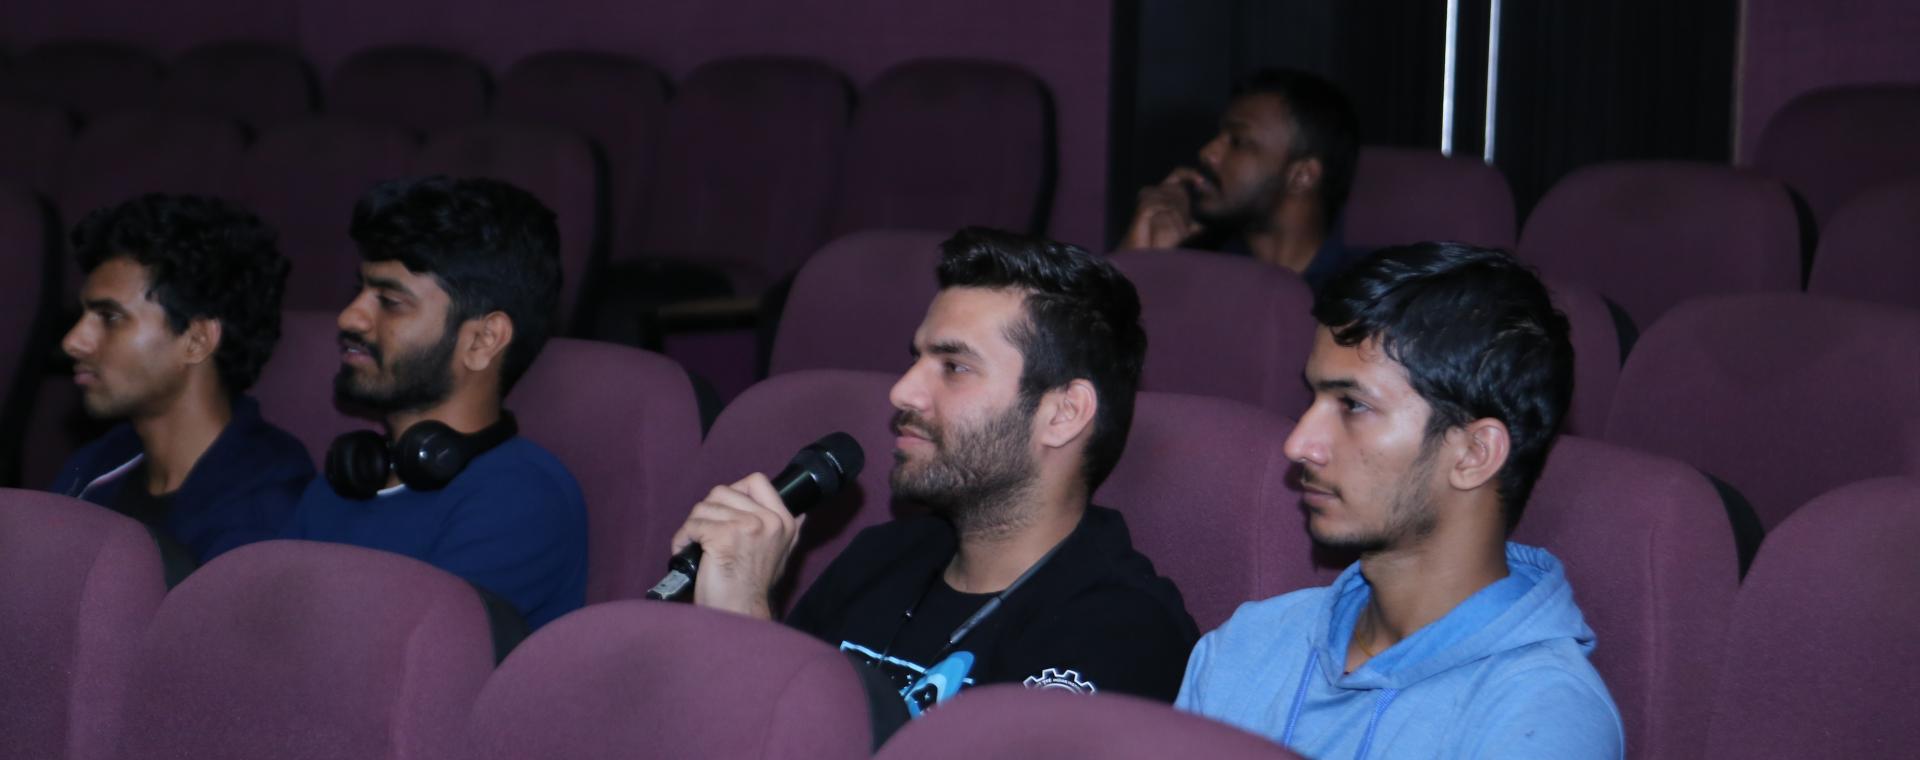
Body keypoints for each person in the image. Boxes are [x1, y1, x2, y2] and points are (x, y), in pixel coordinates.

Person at [670, 227, 1197, 719]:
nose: (902, 392)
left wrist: (745, 625)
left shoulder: (1125, 631)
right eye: (916, 359)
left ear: (1063, 414)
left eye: (954, 367)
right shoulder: (877, 559)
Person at [1175, 242, 1623, 758]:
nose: (1298, 444)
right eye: (1313, 398)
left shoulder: (1543, 718)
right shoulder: (1246, 645)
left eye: (1353, 405)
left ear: (1474, 454)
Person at [283, 176, 587, 630]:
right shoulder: (341, 481)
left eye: (390, 301)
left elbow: (417, 659)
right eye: (359, 291)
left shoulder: (520, 499)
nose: (350, 317)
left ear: (483, 340)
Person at [52, 193, 313, 577]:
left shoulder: (267, 508)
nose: (73, 341)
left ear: (196, 341)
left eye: (109, 317)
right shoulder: (96, 464)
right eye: (83, 315)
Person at [1122, 68, 1365, 291]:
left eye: (1238, 141)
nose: (1207, 153)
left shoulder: (1367, 293)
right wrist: (1137, 261)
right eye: (1219, 136)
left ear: (1302, 175)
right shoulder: (1197, 276)